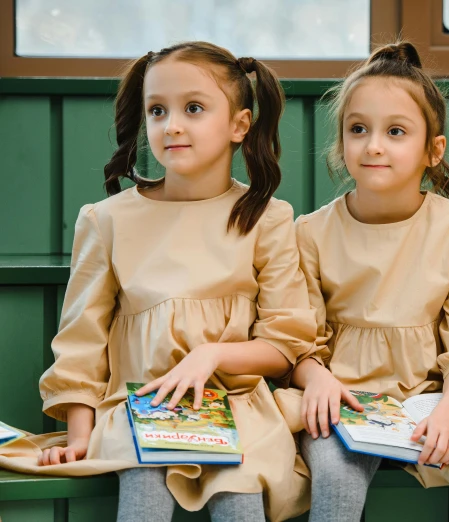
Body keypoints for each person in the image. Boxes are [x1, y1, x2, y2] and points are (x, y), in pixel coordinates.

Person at [35, 41, 317, 522]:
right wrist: (80, 433)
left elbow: (286, 340)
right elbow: (81, 343)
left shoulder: (266, 219)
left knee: (241, 500)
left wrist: (213, 355)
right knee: (143, 491)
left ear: (239, 125)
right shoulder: (107, 221)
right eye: (157, 110)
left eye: (193, 108)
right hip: (136, 408)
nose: (173, 125)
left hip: (237, 411)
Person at [290, 41, 449, 522]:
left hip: (437, 397)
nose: (373, 145)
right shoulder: (310, 232)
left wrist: (447, 414)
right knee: (336, 484)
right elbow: (299, 340)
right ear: (342, 143)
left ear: (433, 150)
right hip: (344, 399)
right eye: (357, 129)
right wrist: (315, 376)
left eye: (395, 131)